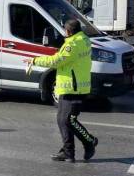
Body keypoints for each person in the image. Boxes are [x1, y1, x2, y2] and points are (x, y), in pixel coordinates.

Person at [25, 19, 98, 162]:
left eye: (65, 31)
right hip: (73, 86)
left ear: (68, 31)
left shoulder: (72, 44)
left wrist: (34, 60)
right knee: (62, 120)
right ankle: (68, 152)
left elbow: (56, 61)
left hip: (73, 88)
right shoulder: (84, 39)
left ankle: (89, 141)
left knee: (68, 120)